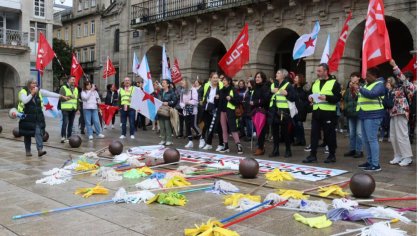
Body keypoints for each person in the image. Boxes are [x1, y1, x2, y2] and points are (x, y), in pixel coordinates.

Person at [303, 63, 342, 164]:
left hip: (328, 113)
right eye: (317, 71)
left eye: (320, 71)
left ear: (326, 71)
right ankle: (312, 155)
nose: (318, 73)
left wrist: (327, 97)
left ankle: (332, 155)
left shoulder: (334, 83)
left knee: (329, 135)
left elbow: (338, 98)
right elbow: (310, 94)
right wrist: (309, 98)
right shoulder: (315, 82)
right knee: (314, 134)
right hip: (317, 112)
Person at [18, 79, 67, 157]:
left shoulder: (39, 91)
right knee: (27, 134)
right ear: (28, 84)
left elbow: (49, 93)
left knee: (39, 132)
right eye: (33, 83)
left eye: (36, 83)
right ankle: (28, 150)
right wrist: (32, 94)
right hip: (27, 117)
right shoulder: (23, 92)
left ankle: (40, 150)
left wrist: (61, 96)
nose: (35, 85)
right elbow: (24, 101)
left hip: (37, 116)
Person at [353, 67, 386, 171]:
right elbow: (360, 96)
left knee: (372, 139)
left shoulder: (379, 85)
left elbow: (372, 95)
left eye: (368, 76)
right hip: (364, 114)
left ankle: (376, 164)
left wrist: (360, 88)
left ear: (375, 76)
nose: (366, 78)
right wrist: (355, 90)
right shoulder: (368, 85)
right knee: (365, 140)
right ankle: (369, 161)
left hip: (373, 115)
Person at [388, 60, 415, 166]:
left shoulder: (410, 86)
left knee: (402, 135)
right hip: (393, 112)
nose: (400, 78)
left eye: (403, 77)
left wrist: (394, 65)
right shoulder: (397, 87)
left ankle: (407, 157)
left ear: (407, 78)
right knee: (393, 135)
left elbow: (400, 75)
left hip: (402, 112)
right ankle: (398, 155)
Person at [268, 69, 296, 158]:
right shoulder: (273, 84)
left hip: (284, 111)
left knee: (285, 132)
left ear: (283, 75)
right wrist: (270, 92)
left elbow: (294, 98)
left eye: (278, 73)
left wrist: (287, 94)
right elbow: (267, 97)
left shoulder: (288, 85)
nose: (276, 74)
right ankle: (275, 150)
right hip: (274, 111)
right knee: (275, 132)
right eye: (276, 72)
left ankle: (288, 150)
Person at [218, 76, 243, 154]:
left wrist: (231, 99)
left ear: (229, 81)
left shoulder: (233, 89)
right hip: (222, 111)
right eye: (223, 80)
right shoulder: (221, 90)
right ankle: (226, 146)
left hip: (230, 111)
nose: (223, 81)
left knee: (233, 128)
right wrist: (217, 98)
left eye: (225, 80)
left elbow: (238, 100)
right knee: (224, 129)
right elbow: (218, 102)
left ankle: (238, 145)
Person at [200, 72, 224, 150]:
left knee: (217, 127)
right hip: (207, 108)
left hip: (216, 109)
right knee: (208, 125)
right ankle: (208, 143)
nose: (215, 79)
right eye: (214, 78)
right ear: (210, 79)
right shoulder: (208, 86)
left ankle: (221, 144)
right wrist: (202, 102)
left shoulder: (220, 87)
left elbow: (222, 98)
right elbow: (203, 95)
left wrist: (218, 97)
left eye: (217, 78)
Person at [343, 72, 364, 158]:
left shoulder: (362, 87)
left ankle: (359, 151)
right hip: (350, 113)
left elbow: (360, 97)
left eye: (354, 77)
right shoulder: (348, 89)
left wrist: (356, 89)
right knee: (352, 133)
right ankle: (352, 149)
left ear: (358, 78)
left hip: (359, 113)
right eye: (351, 77)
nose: (352, 78)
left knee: (359, 133)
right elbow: (345, 99)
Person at [249, 72, 271, 156]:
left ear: (262, 78)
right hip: (256, 111)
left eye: (259, 77)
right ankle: (260, 146)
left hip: (262, 111)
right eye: (256, 77)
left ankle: (260, 148)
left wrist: (255, 102)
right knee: (258, 130)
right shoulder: (255, 87)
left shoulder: (264, 87)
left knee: (261, 130)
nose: (257, 78)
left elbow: (265, 100)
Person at [179, 79, 201, 148]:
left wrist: (188, 102)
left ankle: (201, 137)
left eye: (183, 81)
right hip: (186, 111)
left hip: (192, 111)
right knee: (187, 126)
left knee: (193, 125)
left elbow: (195, 100)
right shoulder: (182, 91)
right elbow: (181, 101)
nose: (181, 82)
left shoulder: (193, 90)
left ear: (187, 82)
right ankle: (190, 141)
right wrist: (183, 105)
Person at [157, 79, 178, 145]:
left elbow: (175, 101)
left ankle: (169, 140)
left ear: (168, 85)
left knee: (167, 125)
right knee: (161, 126)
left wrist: (168, 103)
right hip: (160, 110)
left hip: (167, 111)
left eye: (164, 83)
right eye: (162, 83)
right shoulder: (160, 91)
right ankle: (163, 139)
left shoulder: (171, 92)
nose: (162, 84)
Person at [59, 76, 79, 143]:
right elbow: (60, 98)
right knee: (65, 123)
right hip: (65, 108)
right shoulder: (63, 88)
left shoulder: (76, 89)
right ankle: (63, 137)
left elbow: (77, 99)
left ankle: (69, 137)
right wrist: (69, 97)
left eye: (74, 80)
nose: (74, 81)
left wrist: (77, 108)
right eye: (72, 80)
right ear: (68, 80)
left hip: (73, 109)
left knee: (71, 124)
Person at [293, 73, 310, 146]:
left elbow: (308, 98)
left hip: (302, 109)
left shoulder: (305, 88)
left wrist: (304, 105)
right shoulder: (294, 87)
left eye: (296, 78)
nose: (294, 79)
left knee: (299, 124)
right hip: (294, 108)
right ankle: (298, 139)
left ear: (300, 79)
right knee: (296, 124)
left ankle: (302, 140)